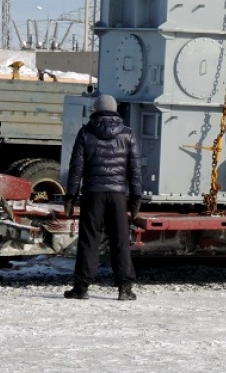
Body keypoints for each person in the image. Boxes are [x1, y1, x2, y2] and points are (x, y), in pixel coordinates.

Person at [64, 94, 142, 301]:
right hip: (117, 194)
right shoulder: (127, 134)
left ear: (96, 110)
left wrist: (70, 196)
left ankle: (81, 287)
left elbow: (76, 168)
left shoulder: (86, 132)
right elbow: (134, 169)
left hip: (92, 193)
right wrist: (136, 197)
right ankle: (124, 288)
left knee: (89, 240)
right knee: (120, 241)